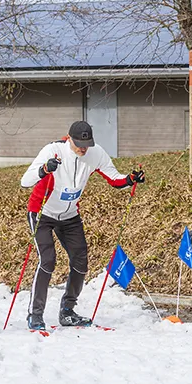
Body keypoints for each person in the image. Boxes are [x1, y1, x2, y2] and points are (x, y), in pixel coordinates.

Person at [20, 121, 145, 331]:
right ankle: (35, 314)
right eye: (79, 143)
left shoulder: (96, 153)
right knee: (48, 260)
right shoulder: (53, 150)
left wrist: (130, 179)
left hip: (69, 215)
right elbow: (25, 181)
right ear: (69, 138)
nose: (83, 148)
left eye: (86, 143)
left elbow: (114, 179)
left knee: (80, 261)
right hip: (42, 212)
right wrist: (44, 169)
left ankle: (67, 311)